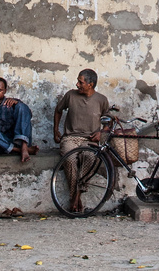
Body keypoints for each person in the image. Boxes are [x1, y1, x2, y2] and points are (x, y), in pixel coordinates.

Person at [53, 69, 111, 213]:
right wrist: (55, 130)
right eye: (78, 81)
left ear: (90, 84)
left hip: (89, 139)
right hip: (70, 138)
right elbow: (58, 110)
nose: (77, 84)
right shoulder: (70, 95)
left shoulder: (101, 100)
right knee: (70, 159)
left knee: (90, 157)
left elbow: (108, 121)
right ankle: (76, 198)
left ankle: (75, 197)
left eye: (81, 82)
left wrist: (101, 133)